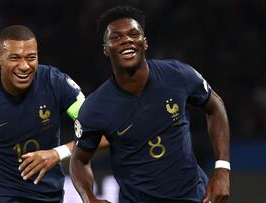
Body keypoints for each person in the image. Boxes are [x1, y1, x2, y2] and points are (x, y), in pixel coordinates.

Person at [70, 5, 230, 203]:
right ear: (106, 49)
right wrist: (89, 198)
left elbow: (215, 106)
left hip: (195, 197)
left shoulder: (177, 75)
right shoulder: (95, 108)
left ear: (144, 42)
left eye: (133, 34)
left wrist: (222, 168)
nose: (126, 40)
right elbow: (79, 160)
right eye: (116, 37)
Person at [0, 25, 108, 203]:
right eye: (15, 58)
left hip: (49, 196)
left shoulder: (56, 84)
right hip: (0, 196)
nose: (24, 66)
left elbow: (100, 132)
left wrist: (57, 153)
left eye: (31, 58)